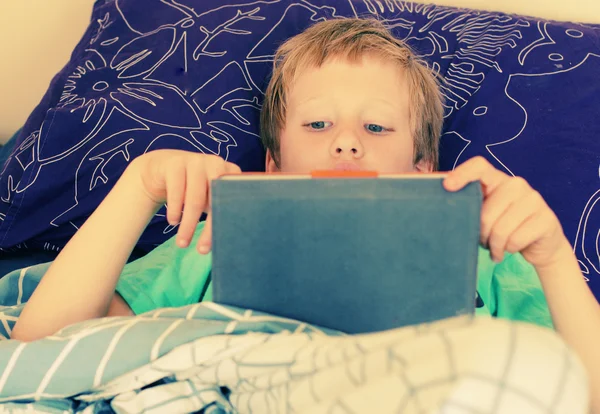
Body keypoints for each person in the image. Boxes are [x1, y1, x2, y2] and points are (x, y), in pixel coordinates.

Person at [11, 18, 600, 412]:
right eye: (317, 125)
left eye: (375, 127)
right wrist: (137, 187)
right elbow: (46, 342)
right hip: (249, 381)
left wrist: (552, 257)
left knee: (529, 362)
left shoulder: (488, 255)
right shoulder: (219, 238)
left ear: (424, 165)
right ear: (272, 164)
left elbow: (580, 390)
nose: (346, 144)